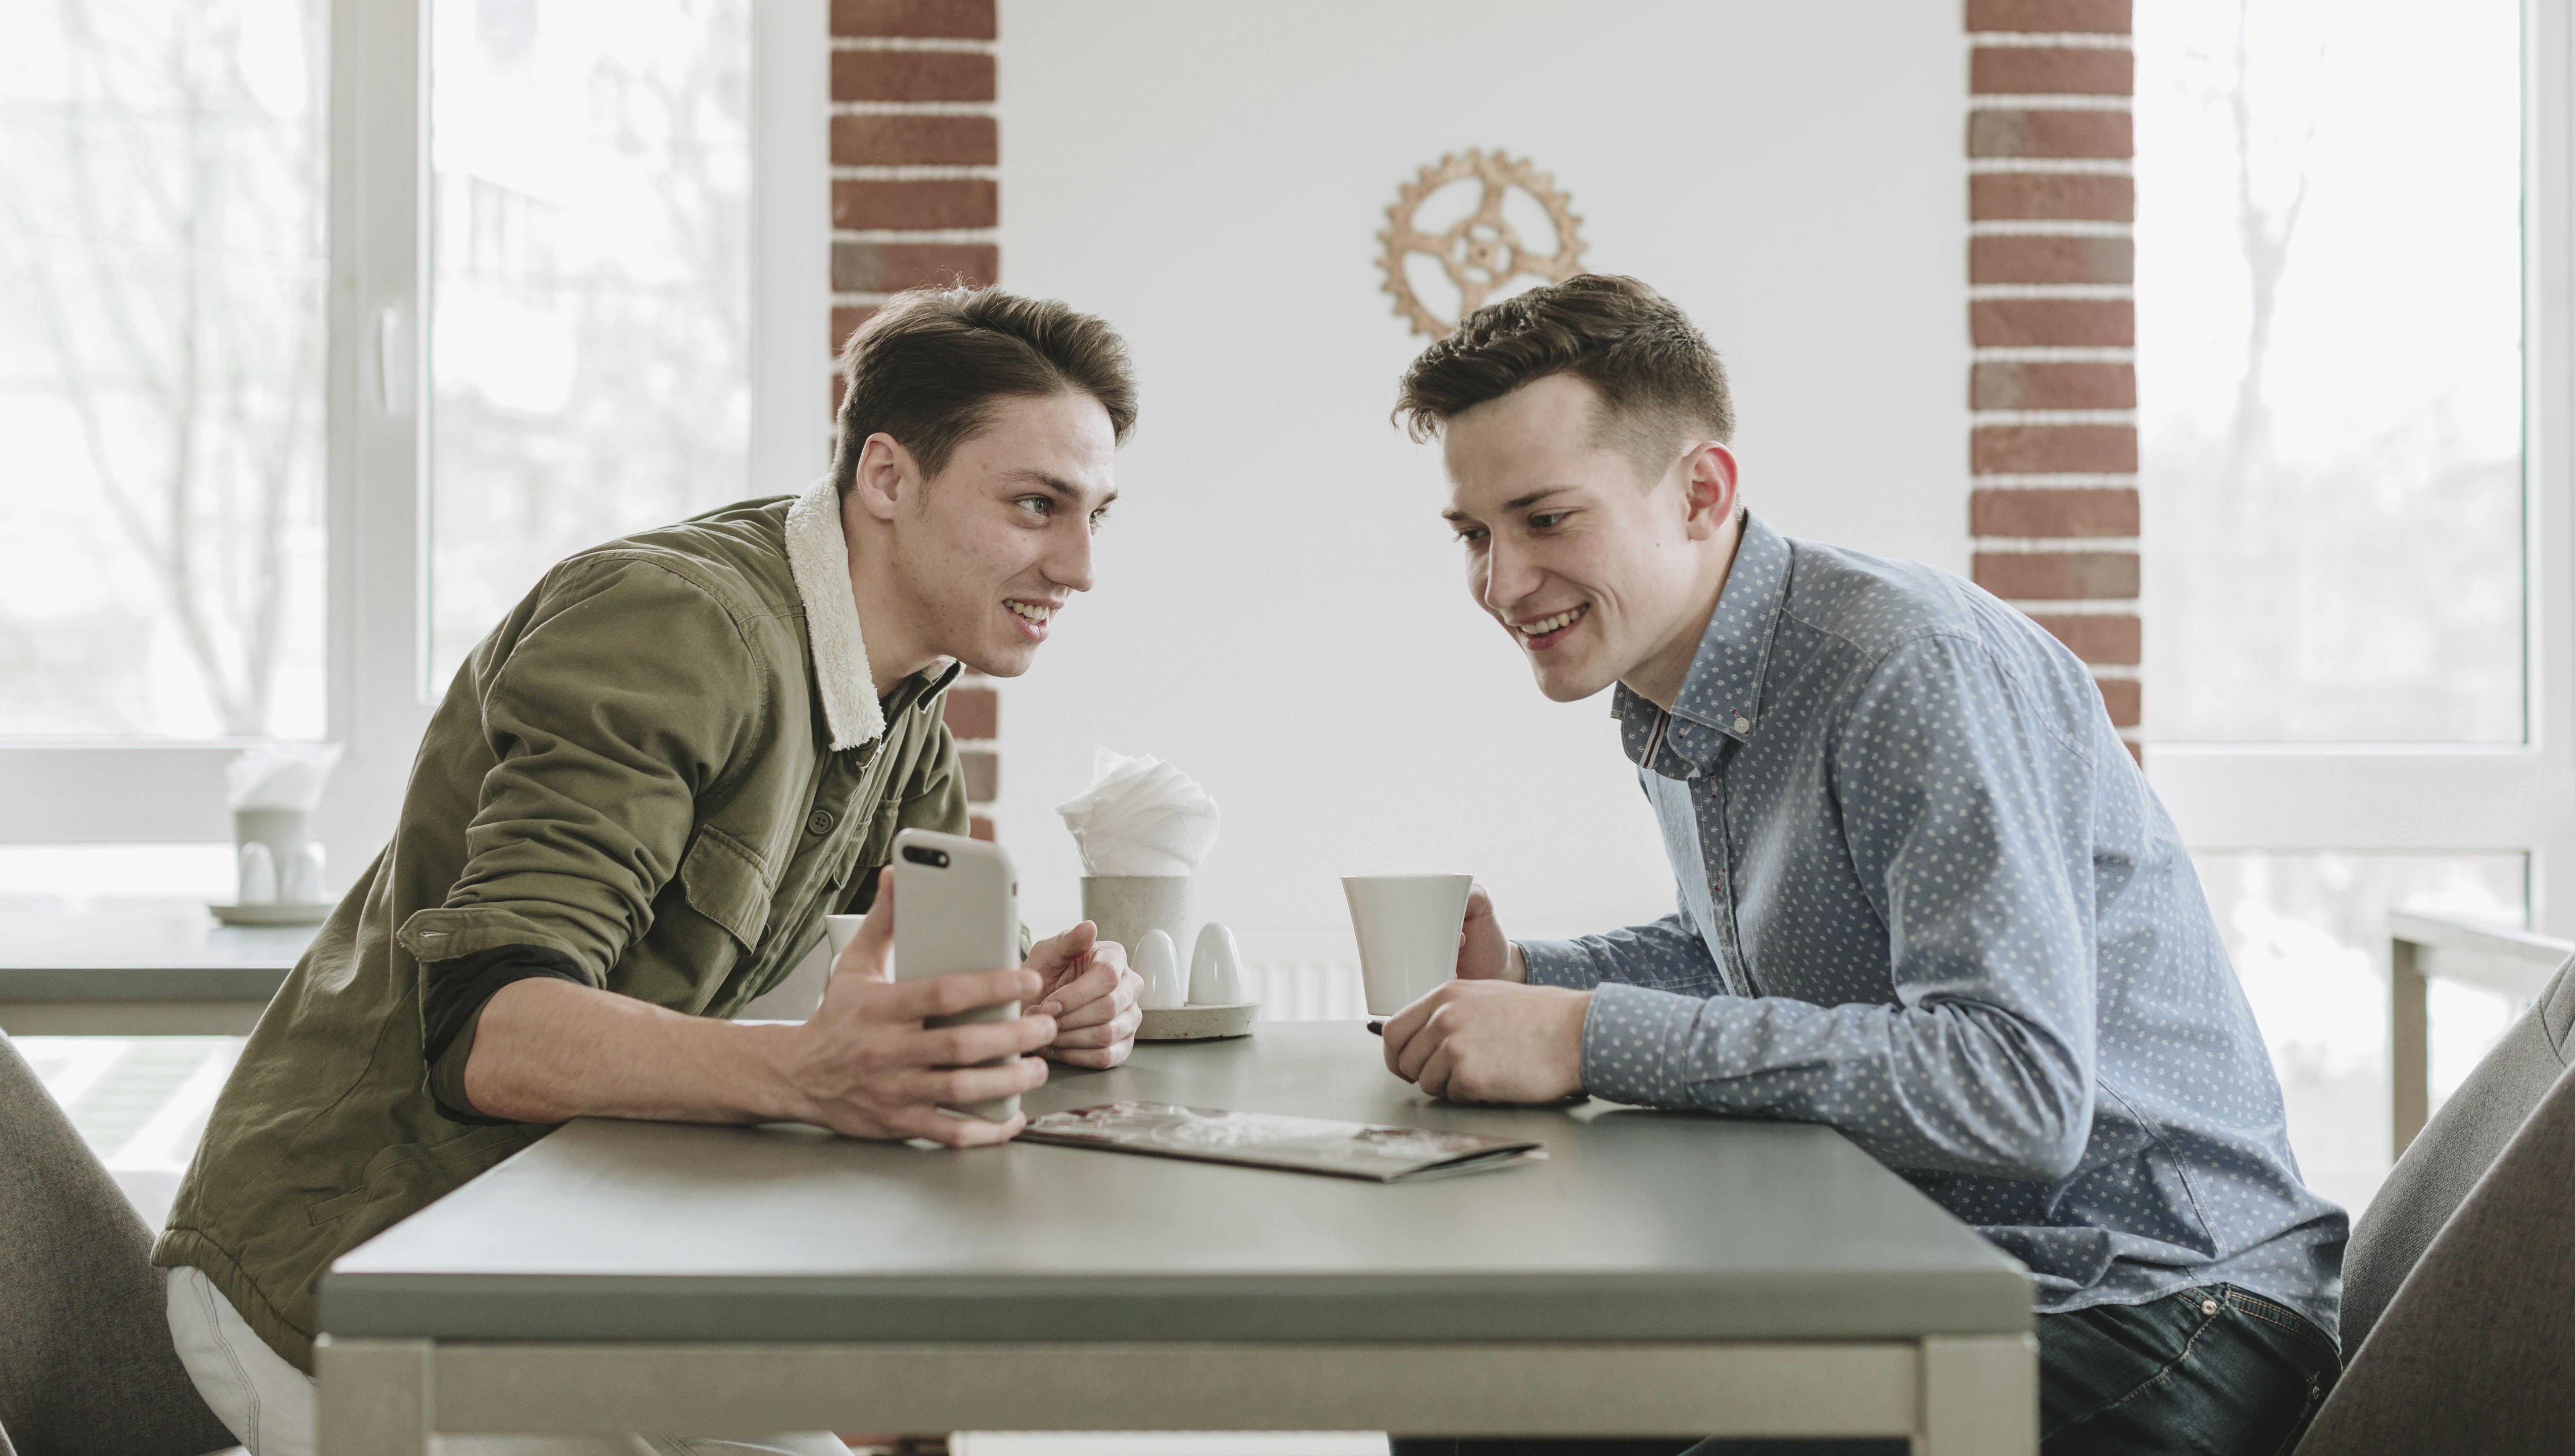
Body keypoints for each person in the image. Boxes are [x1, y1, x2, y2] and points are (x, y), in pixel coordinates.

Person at [154, 286, 1148, 1456]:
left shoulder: (909, 711)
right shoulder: (671, 625)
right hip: (360, 1270)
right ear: (887, 479)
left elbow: (888, 1015)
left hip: (583, 1241)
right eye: (1038, 505)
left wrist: (1034, 1003)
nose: (1079, 566)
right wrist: (811, 1074)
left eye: (1097, 515)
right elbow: (491, 1031)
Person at [1376, 275, 2347, 1456]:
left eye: (1545, 519)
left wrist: (1582, 1034)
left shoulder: (1900, 667)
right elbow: (1778, 955)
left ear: (1700, 492)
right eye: (1474, 535)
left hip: (2158, 1304)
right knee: (1481, 1406)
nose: (1501, 583)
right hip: (1951, 1275)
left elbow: (2018, 1087)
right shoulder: (1680, 685)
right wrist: (1534, 975)